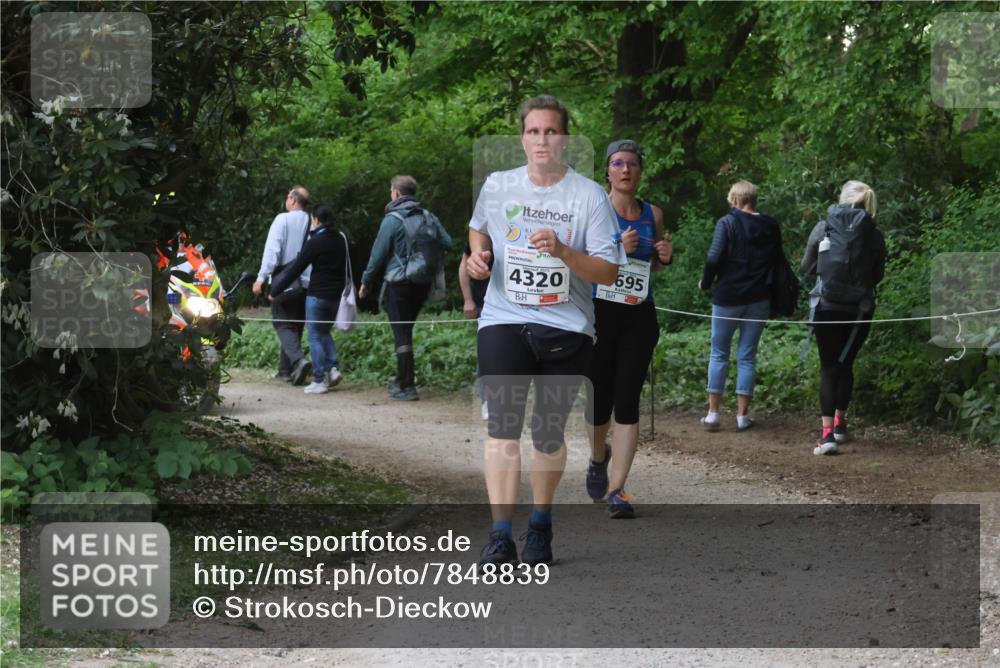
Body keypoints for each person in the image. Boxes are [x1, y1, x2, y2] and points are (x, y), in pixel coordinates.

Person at [466, 95, 625, 566]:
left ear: (565, 138)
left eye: (551, 131)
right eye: (533, 131)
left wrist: (563, 252)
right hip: (503, 318)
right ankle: (499, 535)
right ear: (522, 137)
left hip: (567, 326)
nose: (541, 140)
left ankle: (540, 523)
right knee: (502, 428)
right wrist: (479, 256)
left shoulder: (589, 195)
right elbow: (478, 229)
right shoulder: (498, 185)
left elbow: (608, 272)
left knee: (548, 432)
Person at [585, 140, 673, 519]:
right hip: (599, 313)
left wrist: (664, 258)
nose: (625, 170)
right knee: (598, 400)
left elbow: (653, 267)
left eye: (632, 164)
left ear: (640, 171)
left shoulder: (653, 214)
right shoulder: (593, 210)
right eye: (618, 163)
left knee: (627, 399)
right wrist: (616, 246)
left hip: (638, 315)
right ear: (607, 171)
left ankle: (617, 489)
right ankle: (597, 458)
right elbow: (579, 259)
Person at [801, 180, 886, 455]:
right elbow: (877, 275)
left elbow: (807, 266)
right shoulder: (874, 234)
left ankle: (826, 436)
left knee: (828, 367)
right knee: (846, 364)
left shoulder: (823, 227)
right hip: (860, 309)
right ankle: (840, 424)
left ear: (843, 198)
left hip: (826, 306)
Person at [698, 180, 783, 431]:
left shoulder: (727, 222)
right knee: (747, 356)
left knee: (719, 352)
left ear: (735, 199)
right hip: (759, 297)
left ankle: (713, 414)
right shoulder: (770, 225)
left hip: (728, 296)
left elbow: (714, 256)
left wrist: (706, 282)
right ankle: (742, 417)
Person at [359, 175, 452, 401]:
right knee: (405, 331)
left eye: (391, 190)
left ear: (397, 193)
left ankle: (406, 386)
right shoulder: (428, 216)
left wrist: (366, 280)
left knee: (401, 333)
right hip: (421, 284)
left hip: (398, 283)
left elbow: (378, 254)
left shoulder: (392, 219)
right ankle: (402, 379)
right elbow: (447, 243)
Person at [269, 204, 349, 395]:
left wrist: (275, 290)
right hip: (336, 296)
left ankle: (319, 379)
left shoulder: (315, 242)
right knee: (324, 332)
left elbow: (296, 269)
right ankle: (333, 369)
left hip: (317, 295)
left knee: (315, 335)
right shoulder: (340, 239)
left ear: (316, 219)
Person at [253, 186, 313, 386]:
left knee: (282, 323)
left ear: (293, 200)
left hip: (285, 281)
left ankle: (298, 361)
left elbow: (272, 251)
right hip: (306, 283)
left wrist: (261, 278)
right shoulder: (312, 221)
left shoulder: (282, 220)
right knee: (295, 324)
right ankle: (285, 370)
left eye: (288, 196)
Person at [459, 242, 491, 419]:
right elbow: (465, 264)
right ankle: (487, 401)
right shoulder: (481, 233)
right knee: (487, 352)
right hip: (486, 303)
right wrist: (467, 299)